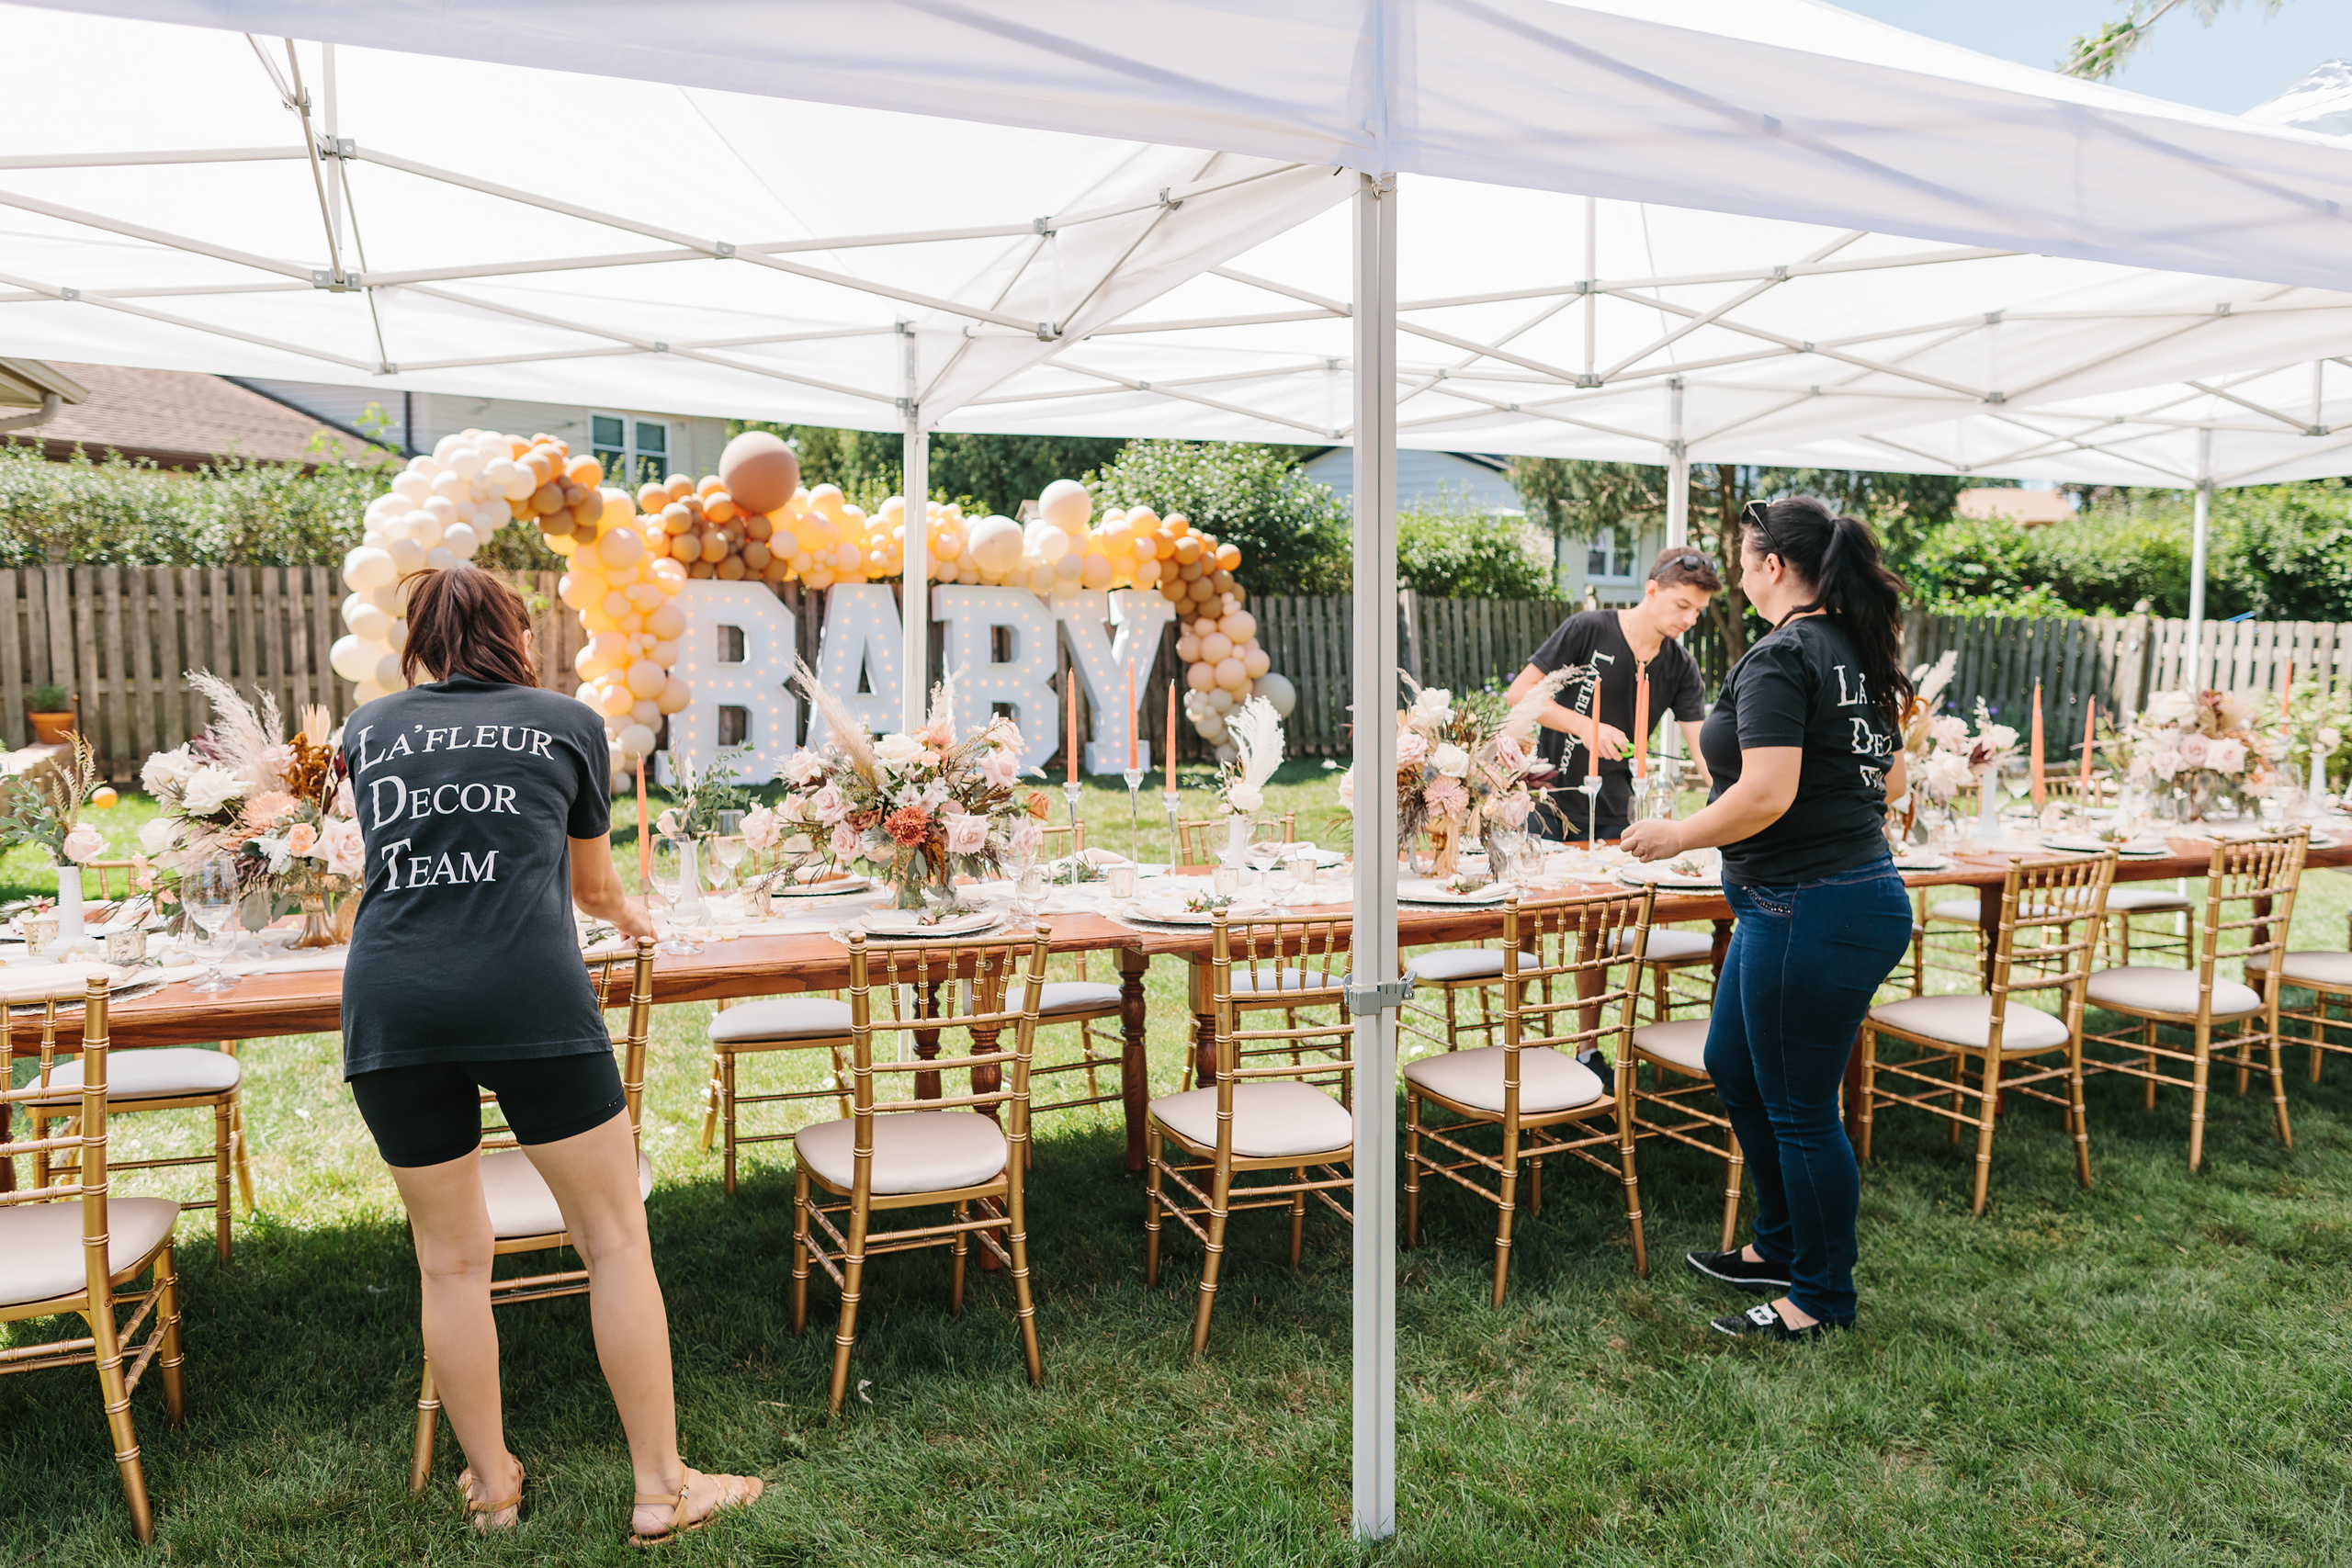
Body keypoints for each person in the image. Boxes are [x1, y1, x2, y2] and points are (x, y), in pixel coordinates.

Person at [339, 566, 763, 1542]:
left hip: (393, 1001)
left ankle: (492, 1488)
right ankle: (661, 1488)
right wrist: (632, 916)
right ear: (515, 631)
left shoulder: (369, 731)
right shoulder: (568, 721)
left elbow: (402, 864)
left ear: (417, 638)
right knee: (613, 1238)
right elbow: (590, 884)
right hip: (527, 992)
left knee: (448, 1263)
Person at [1620, 498, 1912, 1342]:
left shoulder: (1787, 652)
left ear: (1773, 565)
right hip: (1808, 898)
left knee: (1800, 1107)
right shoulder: (1856, 648)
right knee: (1733, 1066)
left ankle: (1819, 1296)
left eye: (1744, 560)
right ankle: (1780, 1244)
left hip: (1814, 904)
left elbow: (1767, 792)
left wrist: (1677, 831)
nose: (1739, 573)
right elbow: (1889, 783)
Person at [1506, 548, 1721, 841]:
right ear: (1652, 589)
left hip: (1616, 816)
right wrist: (1584, 727)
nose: (1690, 619)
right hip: (1546, 807)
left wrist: (1734, 798)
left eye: (1698, 610)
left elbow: (1703, 750)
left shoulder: (1682, 666)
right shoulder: (1587, 628)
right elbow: (1518, 694)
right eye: (1683, 605)